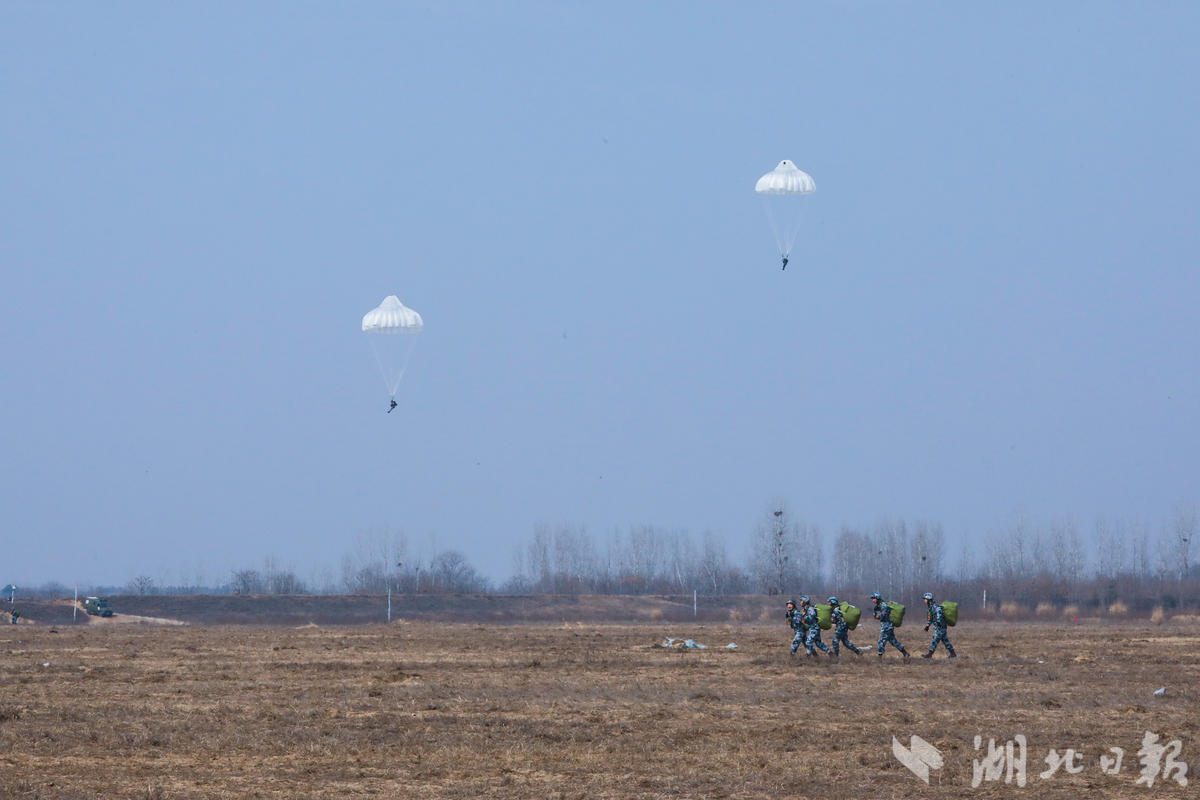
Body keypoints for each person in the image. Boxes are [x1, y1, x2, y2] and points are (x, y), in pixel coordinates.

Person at [870, 591, 910, 662]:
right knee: (894, 642)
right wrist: (876, 615)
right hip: (888, 626)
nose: (873, 600)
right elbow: (877, 616)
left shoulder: (883, 605)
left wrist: (878, 616)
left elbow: (882, 616)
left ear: (878, 598)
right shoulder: (878, 606)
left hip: (887, 627)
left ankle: (879, 659)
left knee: (881, 641)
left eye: (874, 598)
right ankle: (905, 653)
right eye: (872, 598)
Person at [922, 592, 957, 658]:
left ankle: (930, 654)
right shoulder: (930, 608)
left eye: (925, 599)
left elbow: (939, 613)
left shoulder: (935, 607)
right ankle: (953, 654)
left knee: (935, 640)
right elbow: (930, 618)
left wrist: (938, 621)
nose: (924, 600)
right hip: (939, 627)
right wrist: (927, 626)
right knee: (945, 641)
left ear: (929, 599)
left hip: (940, 627)